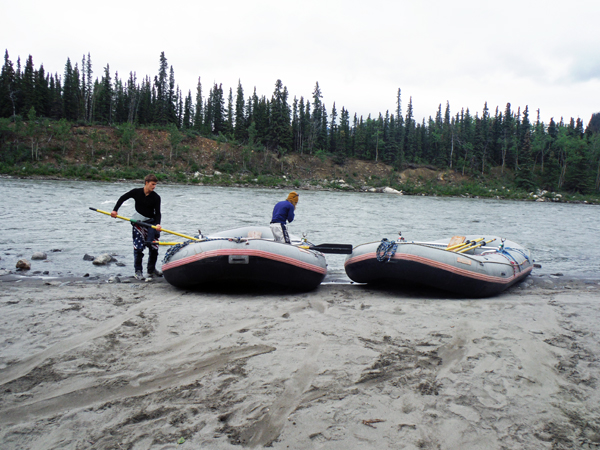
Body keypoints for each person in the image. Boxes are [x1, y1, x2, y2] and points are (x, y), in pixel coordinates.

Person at [111, 174, 163, 280]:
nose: (154, 187)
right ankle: (138, 271)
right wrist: (115, 210)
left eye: (155, 185)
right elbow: (122, 198)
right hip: (138, 223)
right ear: (146, 183)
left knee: (153, 247)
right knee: (138, 248)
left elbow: (158, 213)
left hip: (151, 223)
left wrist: (158, 224)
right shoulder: (136, 192)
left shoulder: (156, 197)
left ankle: (151, 270)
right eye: (152, 184)